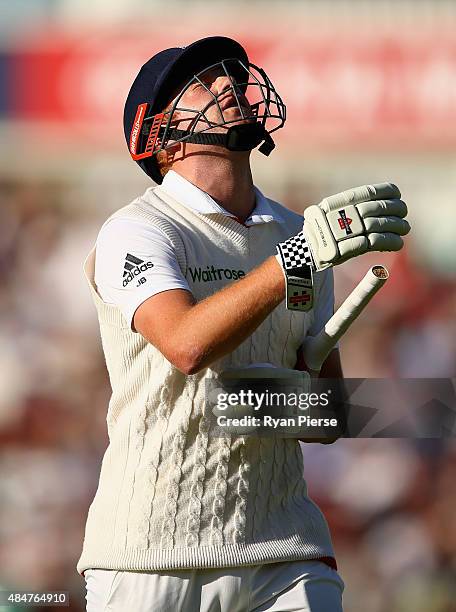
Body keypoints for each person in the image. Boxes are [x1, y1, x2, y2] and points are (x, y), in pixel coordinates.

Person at [78, 36, 410, 611]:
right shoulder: (137, 230)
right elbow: (185, 345)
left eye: (233, 73)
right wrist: (296, 259)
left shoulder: (296, 231)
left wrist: (288, 392)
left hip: (285, 547)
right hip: (149, 554)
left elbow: (325, 420)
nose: (229, 84)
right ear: (156, 134)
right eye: (203, 82)